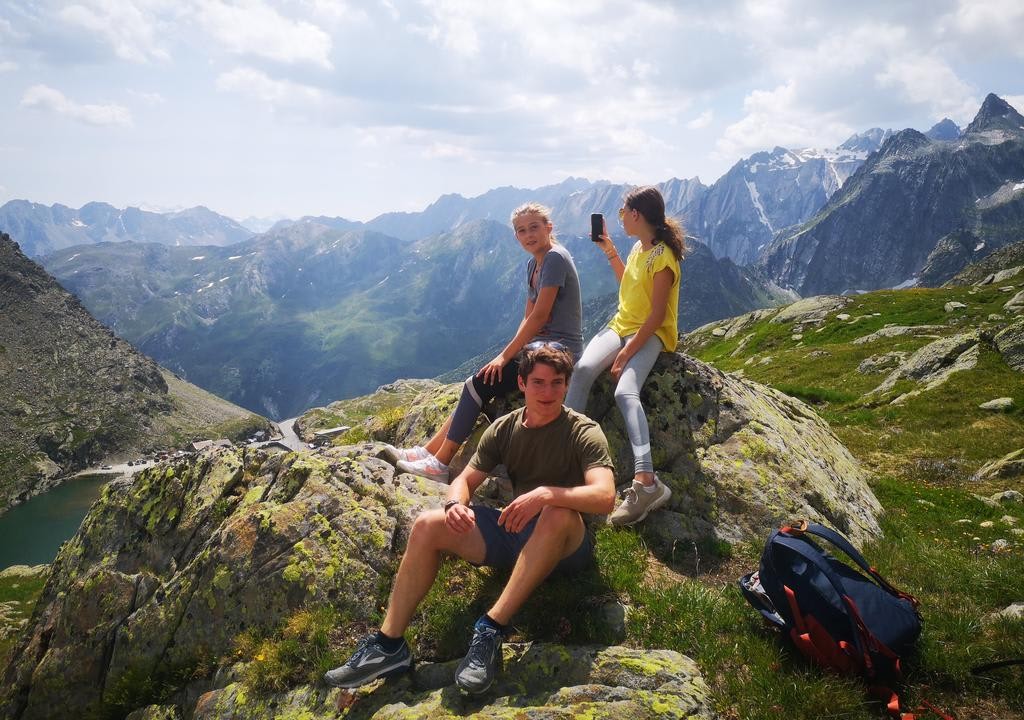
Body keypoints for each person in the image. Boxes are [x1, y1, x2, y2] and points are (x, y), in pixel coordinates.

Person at [324, 344, 615, 694]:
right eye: (538, 382)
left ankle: (491, 628)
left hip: (567, 546)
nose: (548, 392)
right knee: (428, 525)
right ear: (521, 384)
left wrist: (546, 495)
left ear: (567, 385)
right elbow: (464, 479)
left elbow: (604, 496)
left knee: (555, 512)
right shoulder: (505, 428)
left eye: (557, 383)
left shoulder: (582, 430)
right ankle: (389, 646)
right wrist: (455, 505)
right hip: (518, 531)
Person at [386, 203, 583, 484]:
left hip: (561, 350)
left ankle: (440, 463)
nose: (529, 235)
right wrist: (512, 352)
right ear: (516, 236)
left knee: (480, 382)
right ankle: (427, 451)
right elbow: (527, 317)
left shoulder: (554, 258)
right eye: (521, 231)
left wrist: (505, 357)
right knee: (476, 383)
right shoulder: (533, 264)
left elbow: (539, 317)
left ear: (549, 227)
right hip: (540, 346)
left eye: (534, 228)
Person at [564, 186, 684, 527]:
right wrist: (610, 251)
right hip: (621, 324)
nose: (620, 218)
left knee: (624, 392)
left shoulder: (664, 257)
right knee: (584, 369)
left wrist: (625, 353)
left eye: (622, 212)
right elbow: (628, 288)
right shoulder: (636, 248)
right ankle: (561, 450)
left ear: (637, 215)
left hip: (650, 332)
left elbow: (657, 315)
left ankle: (647, 483)